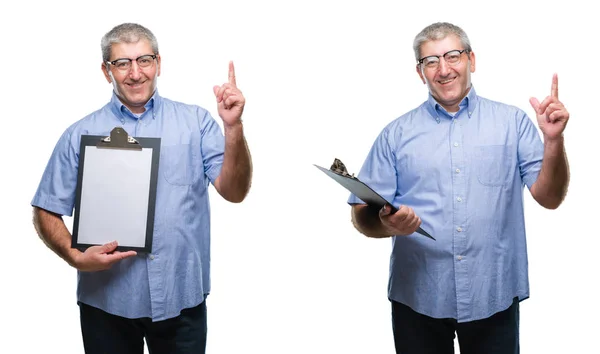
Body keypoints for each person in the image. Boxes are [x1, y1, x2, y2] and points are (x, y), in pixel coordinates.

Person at [348, 22, 569, 354]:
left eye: (453, 56)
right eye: (431, 61)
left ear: (472, 60)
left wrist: (553, 141)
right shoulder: (396, 135)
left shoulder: (513, 123)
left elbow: (549, 198)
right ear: (420, 72)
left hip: (492, 294)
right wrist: (385, 223)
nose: (443, 69)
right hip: (417, 299)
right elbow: (361, 213)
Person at [31, 22, 252, 353]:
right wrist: (75, 256)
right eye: (122, 63)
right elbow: (45, 208)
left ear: (158, 63)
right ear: (107, 71)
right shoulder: (79, 135)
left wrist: (233, 127)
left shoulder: (196, 123)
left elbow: (234, 192)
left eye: (144, 60)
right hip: (106, 302)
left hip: (182, 299)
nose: (135, 73)